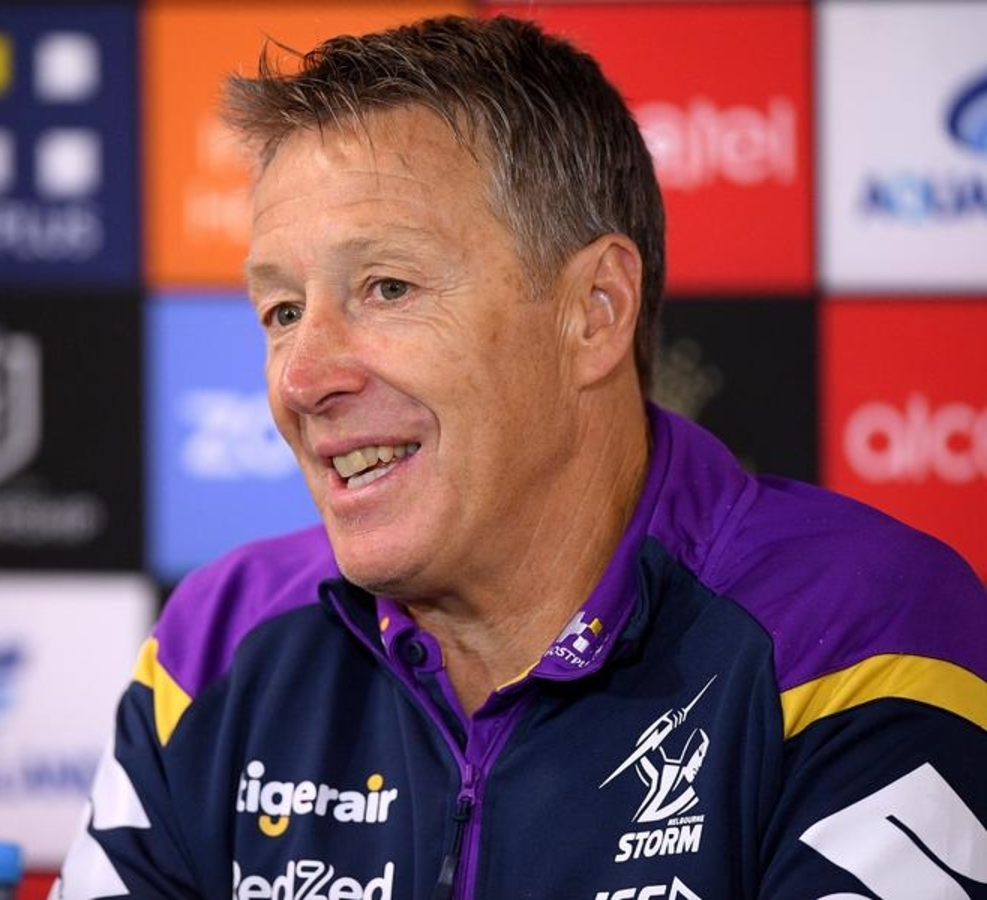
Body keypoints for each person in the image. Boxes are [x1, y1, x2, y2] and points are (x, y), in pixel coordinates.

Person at [51, 14, 987, 899]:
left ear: (595, 312)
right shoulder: (216, 645)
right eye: (283, 311)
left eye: (387, 287)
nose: (302, 378)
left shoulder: (858, 630)